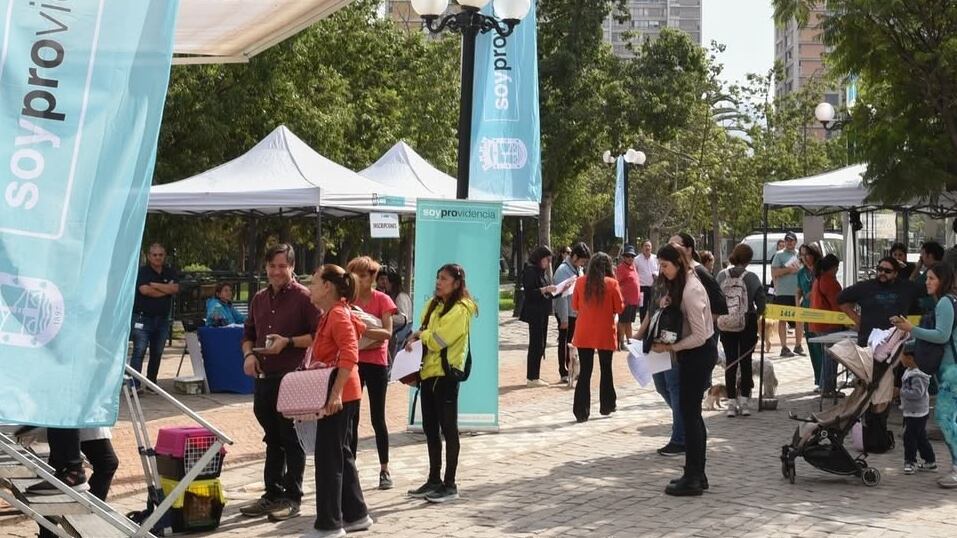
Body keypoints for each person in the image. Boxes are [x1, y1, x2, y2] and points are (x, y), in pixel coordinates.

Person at [240, 244, 320, 522]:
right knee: (272, 438)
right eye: (272, 266)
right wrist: (249, 355)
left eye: (282, 266)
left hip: (293, 378)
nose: (276, 271)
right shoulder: (259, 299)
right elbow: (248, 333)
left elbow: (319, 335)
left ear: (292, 267)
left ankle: (292, 497)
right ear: (265, 267)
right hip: (264, 377)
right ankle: (271, 494)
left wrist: (289, 343)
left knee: (291, 438)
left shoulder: (305, 298)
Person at [304, 264, 372, 537]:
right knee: (341, 454)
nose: (310, 287)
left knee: (328, 458)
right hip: (342, 391)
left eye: (313, 282)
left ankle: (329, 525)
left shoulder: (338, 315)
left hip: (339, 393)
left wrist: (335, 395)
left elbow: (350, 354)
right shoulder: (332, 313)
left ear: (327, 287)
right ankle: (356, 515)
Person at [405, 264, 477, 503]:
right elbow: (424, 330)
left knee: (449, 428)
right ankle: (434, 480)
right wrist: (416, 336)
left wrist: (420, 336)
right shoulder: (433, 305)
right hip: (428, 374)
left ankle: (450, 484)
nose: (438, 282)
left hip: (446, 376)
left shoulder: (461, 309)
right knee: (430, 428)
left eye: (444, 279)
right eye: (437, 278)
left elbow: (437, 340)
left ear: (456, 284)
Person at [652, 244, 716, 496]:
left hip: (698, 354)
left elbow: (699, 335)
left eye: (665, 266)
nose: (662, 270)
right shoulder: (682, 286)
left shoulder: (691, 289)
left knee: (690, 415)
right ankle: (696, 473)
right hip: (692, 354)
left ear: (678, 264)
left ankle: (693, 476)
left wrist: (672, 348)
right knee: (691, 415)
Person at [892, 263, 957, 488]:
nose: (927, 282)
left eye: (931, 278)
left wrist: (911, 329)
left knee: (946, 420)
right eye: (927, 278)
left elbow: (941, 336)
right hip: (948, 369)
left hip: (952, 371)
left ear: (943, 280)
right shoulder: (945, 302)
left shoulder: (946, 303)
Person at [345, 256, 397, 491]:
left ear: (373, 277)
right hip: (354, 362)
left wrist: (365, 328)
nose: (359, 279)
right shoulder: (349, 301)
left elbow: (387, 333)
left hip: (376, 363)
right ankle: (350, 468)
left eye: (364, 275)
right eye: (355, 274)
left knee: (378, 418)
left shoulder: (382, 300)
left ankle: (384, 469)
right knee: (351, 418)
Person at [571, 252, 624, 422]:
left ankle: (581, 411)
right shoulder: (612, 283)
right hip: (604, 331)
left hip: (584, 331)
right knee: (605, 368)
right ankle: (607, 404)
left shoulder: (580, 282)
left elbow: (575, 305)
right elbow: (619, 308)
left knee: (585, 371)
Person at [716, 243, 766, 417]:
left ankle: (730, 403)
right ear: (749, 259)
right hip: (746, 323)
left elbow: (715, 298)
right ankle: (744, 402)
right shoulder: (751, 277)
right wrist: (757, 315)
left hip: (725, 323)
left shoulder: (722, 275)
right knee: (745, 362)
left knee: (730, 362)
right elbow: (761, 303)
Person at [839, 256, 921, 347]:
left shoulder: (906, 287)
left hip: (896, 343)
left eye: (887, 271)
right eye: (880, 269)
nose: (882, 273)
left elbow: (929, 292)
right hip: (868, 342)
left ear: (895, 273)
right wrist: (857, 320)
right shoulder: (865, 287)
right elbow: (841, 299)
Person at [129, 242, 179, 388]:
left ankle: (152, 383)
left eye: (160, 255)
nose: (157, 258)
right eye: (154, 255)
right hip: (143, 319)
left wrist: (155, 285)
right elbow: (145, 290)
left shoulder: (170, 272)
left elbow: (175, 288)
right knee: (139, 350)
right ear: (149, 256)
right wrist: (165, 289)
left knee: (157, 352)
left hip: (162, 319)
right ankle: (135, 385)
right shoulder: (142, 272)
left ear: (165, 256)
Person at [553, 242, 591, 383]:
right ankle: (563, 370)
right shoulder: (563, 270)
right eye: (581, 260)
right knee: (564, 341)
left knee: (572, 343)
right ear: (574, 256)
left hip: (575, 312)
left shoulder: (578, 269)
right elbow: (561, 295)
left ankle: (573, 369)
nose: (582, 263)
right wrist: (563, 318)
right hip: (566, 311)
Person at [520, 246, 557, 387]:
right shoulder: (530, 271)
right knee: (535, 344)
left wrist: (559, 289)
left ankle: (536, 375)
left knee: (541, 343)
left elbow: (547, 291)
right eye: (546, 260)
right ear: (540, 258)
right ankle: (532, 377)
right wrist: (544, 290)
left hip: (543, 311)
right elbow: (529, 293)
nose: (548, 263)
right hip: (534, 312)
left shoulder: (543, 273)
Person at [809, 254, 843, 397]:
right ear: (834, 267)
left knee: (827, 356)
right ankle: (828, 389)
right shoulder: (830, 282)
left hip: (817, 323)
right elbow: (838, 305)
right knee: (831, 357)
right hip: (828, 324)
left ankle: (825, 386)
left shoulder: (818, 279)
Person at [898, 352, 937, 475]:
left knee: (909, 437)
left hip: (916, 412)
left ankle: (910, 461)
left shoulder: (917, 376)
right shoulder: (909, 371)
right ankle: (930, 461)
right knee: (920, 438)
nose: (901, 360)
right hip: (912, 411)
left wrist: (901, 392)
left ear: (910, 358)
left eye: (902, 357)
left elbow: (917, 393)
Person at [770, 232, 805, 358]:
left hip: (797, 293)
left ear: (796, 242)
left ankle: (798, 345)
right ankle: (784, 347)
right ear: (784, 242)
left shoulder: (800, 255)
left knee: (799, 319)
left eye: (792, 240)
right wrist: (788, 270)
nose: (789, 242)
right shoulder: (779, 255)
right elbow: (774, 273)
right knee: (782, 320)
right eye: (787, 240)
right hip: (783, 292)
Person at [796, 245, 822, 386]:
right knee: (812, 346)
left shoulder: (821, 271)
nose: (805, 258)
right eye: (802, 255)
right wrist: (797, 307)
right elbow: (798, 291)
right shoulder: (801, 273)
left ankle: (826, 379)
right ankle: (818, 379)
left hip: (821, 312)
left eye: (807, 254)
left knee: (822, 346)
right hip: (807, 311)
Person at [377, 265, 413, 361]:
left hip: (400, 336)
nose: (386, 284)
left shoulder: (401, 297)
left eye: (387, 282)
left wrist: (385, 317)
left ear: (392, 283)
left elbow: (402, 319)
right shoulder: (396, 296)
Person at [616, 244, 641, 350]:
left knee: (629, 322)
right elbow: (616, 283)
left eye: (632, 256)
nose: (630, 258)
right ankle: (621, 342)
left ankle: (630, 342)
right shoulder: (621, 268)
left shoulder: (633, 267)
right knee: (622, 322)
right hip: (625, 301)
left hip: (633, 301)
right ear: (624, 257)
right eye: (628, 256)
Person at [914, 241, 945, 313]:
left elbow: (911, 284)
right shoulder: (945, 268)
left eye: (922, 254)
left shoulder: (931, 271)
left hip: (929, 308)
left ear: (929, 256)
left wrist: (917, 267)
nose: (921, 258)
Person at [636, 240, 659, 323]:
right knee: (643, 308)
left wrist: (656, 274)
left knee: (654, 307)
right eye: (646, 246)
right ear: (642, 248)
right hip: (642, 288)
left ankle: (652, 325)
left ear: (651, 248)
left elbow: (659, 270)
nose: (647, 248)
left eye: (649, 246)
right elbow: (635, 273)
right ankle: (642, 326)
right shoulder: (637, 259)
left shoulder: (656, 258)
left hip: (654, 287)